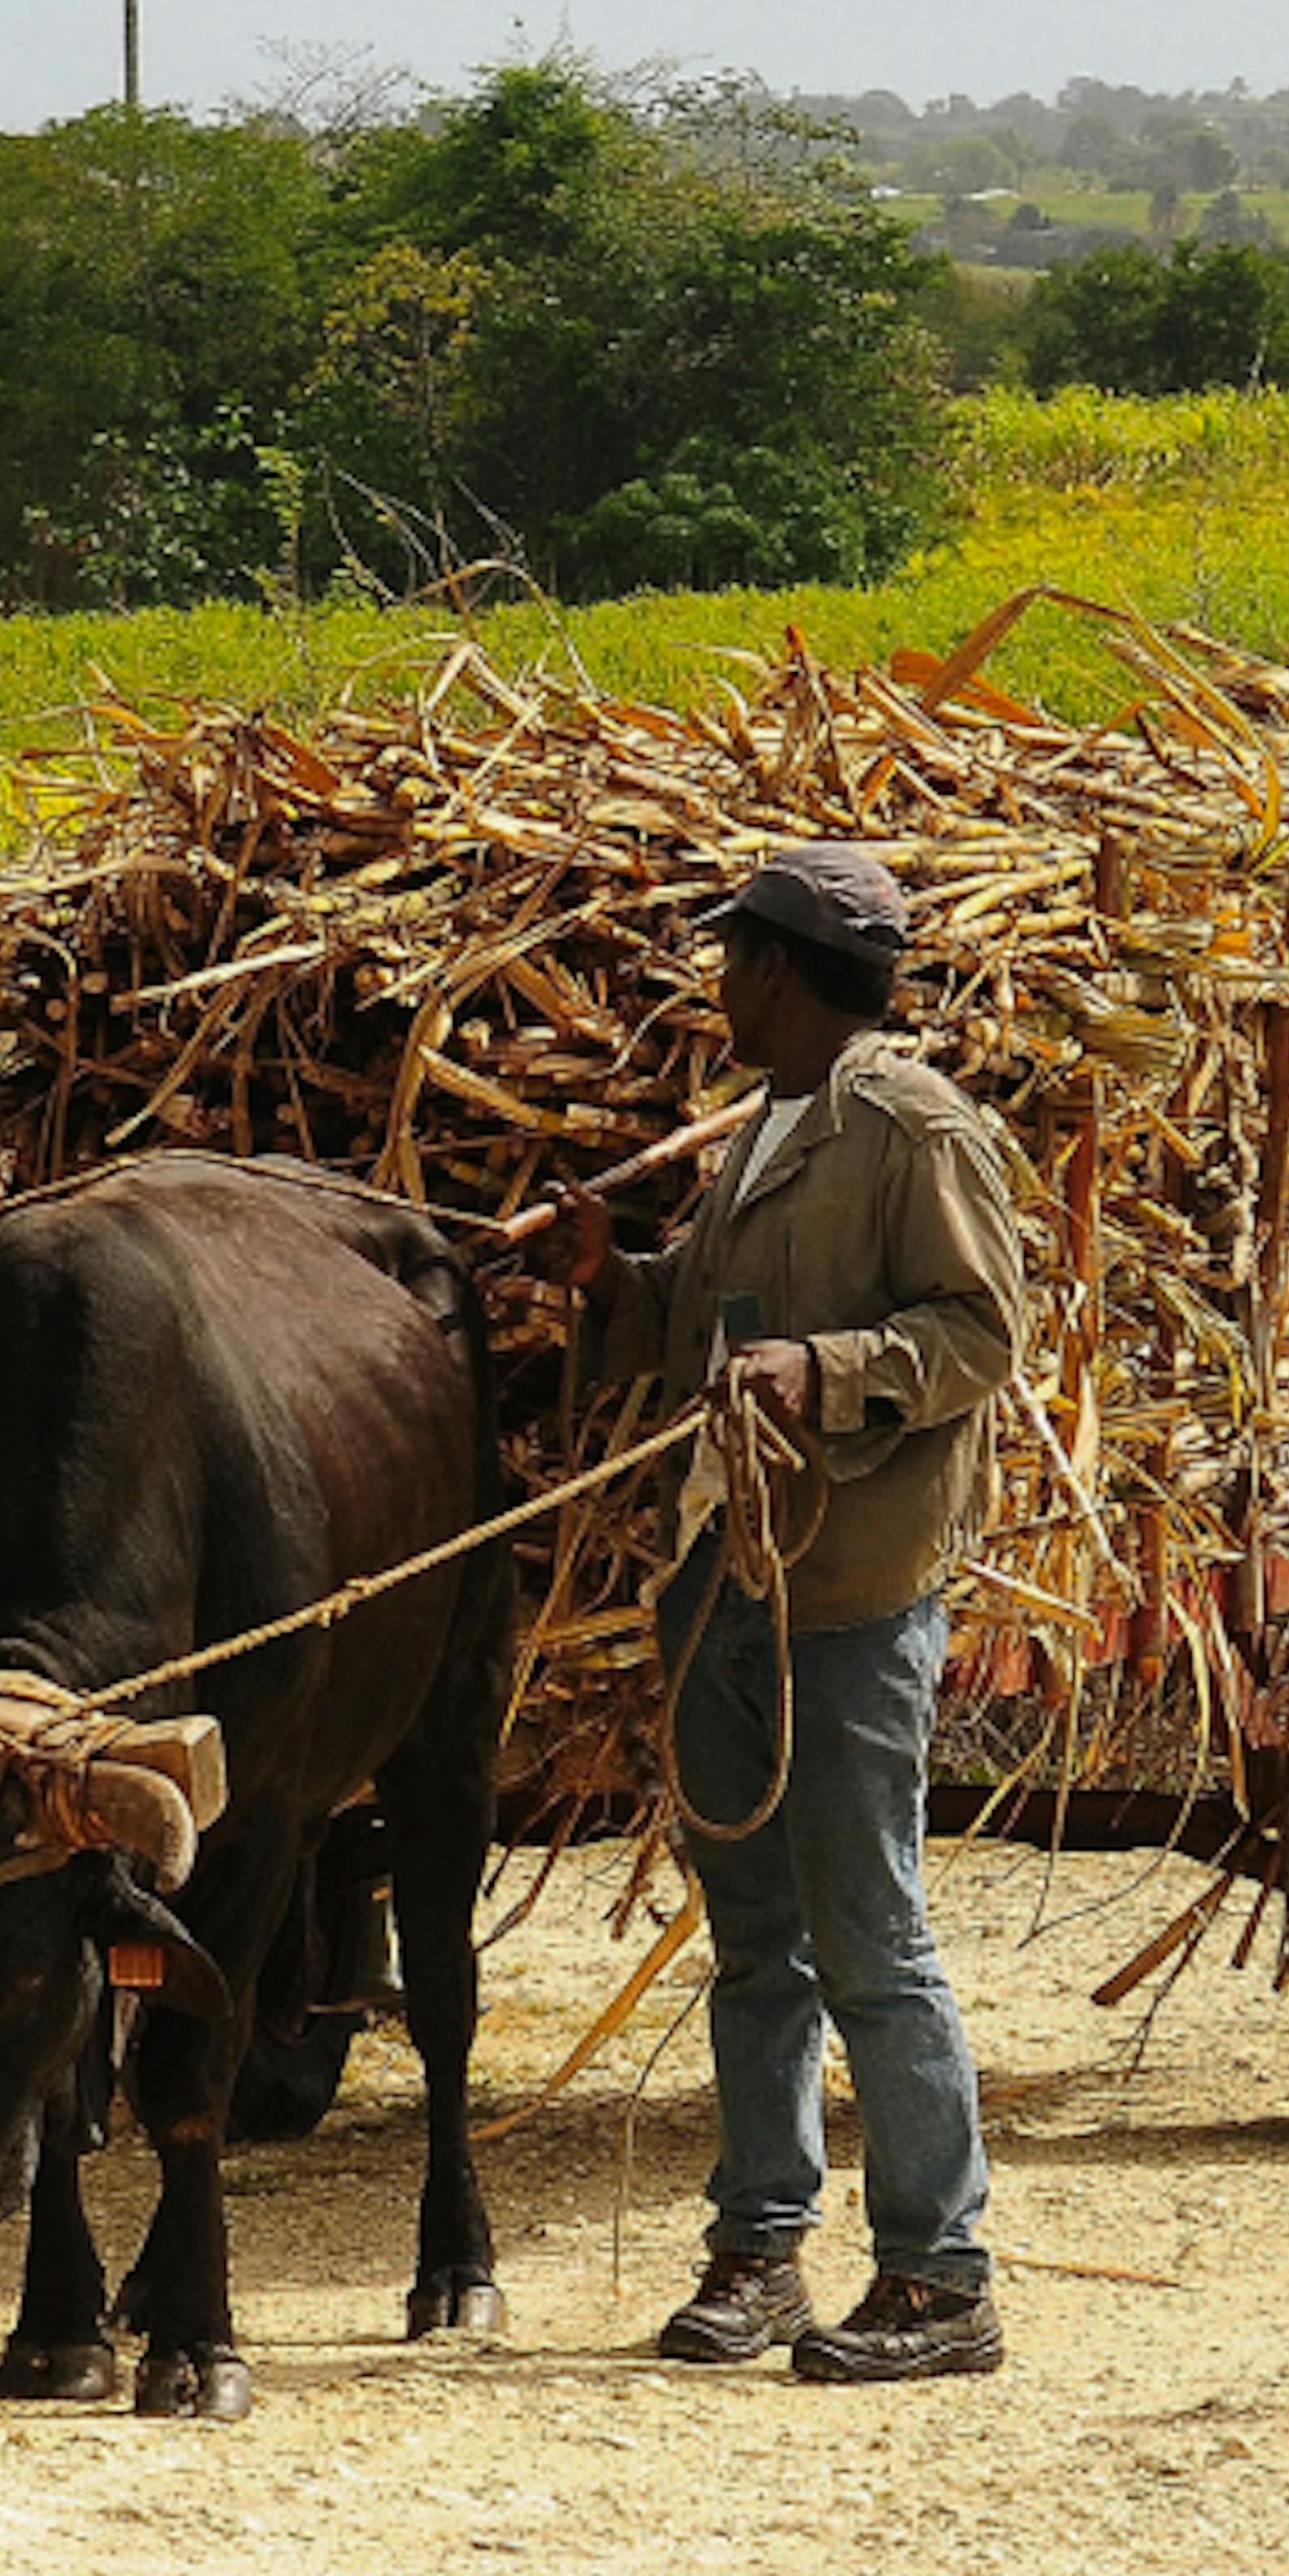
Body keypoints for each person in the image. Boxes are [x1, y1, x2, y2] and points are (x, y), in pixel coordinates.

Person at [550, 844, 1023, 2383]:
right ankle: (759, 2254)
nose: (719, 987)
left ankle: (943, 2281)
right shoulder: (771, 1133)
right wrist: (611, 1284)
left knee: (869, 1934)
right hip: (728, 1582)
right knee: (757, 1940)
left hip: (848, 1593)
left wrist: (822, 1372)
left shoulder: (910, 1129)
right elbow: (696, 1323)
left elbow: (978, 1332)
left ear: (781, 973)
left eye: (734, 962)